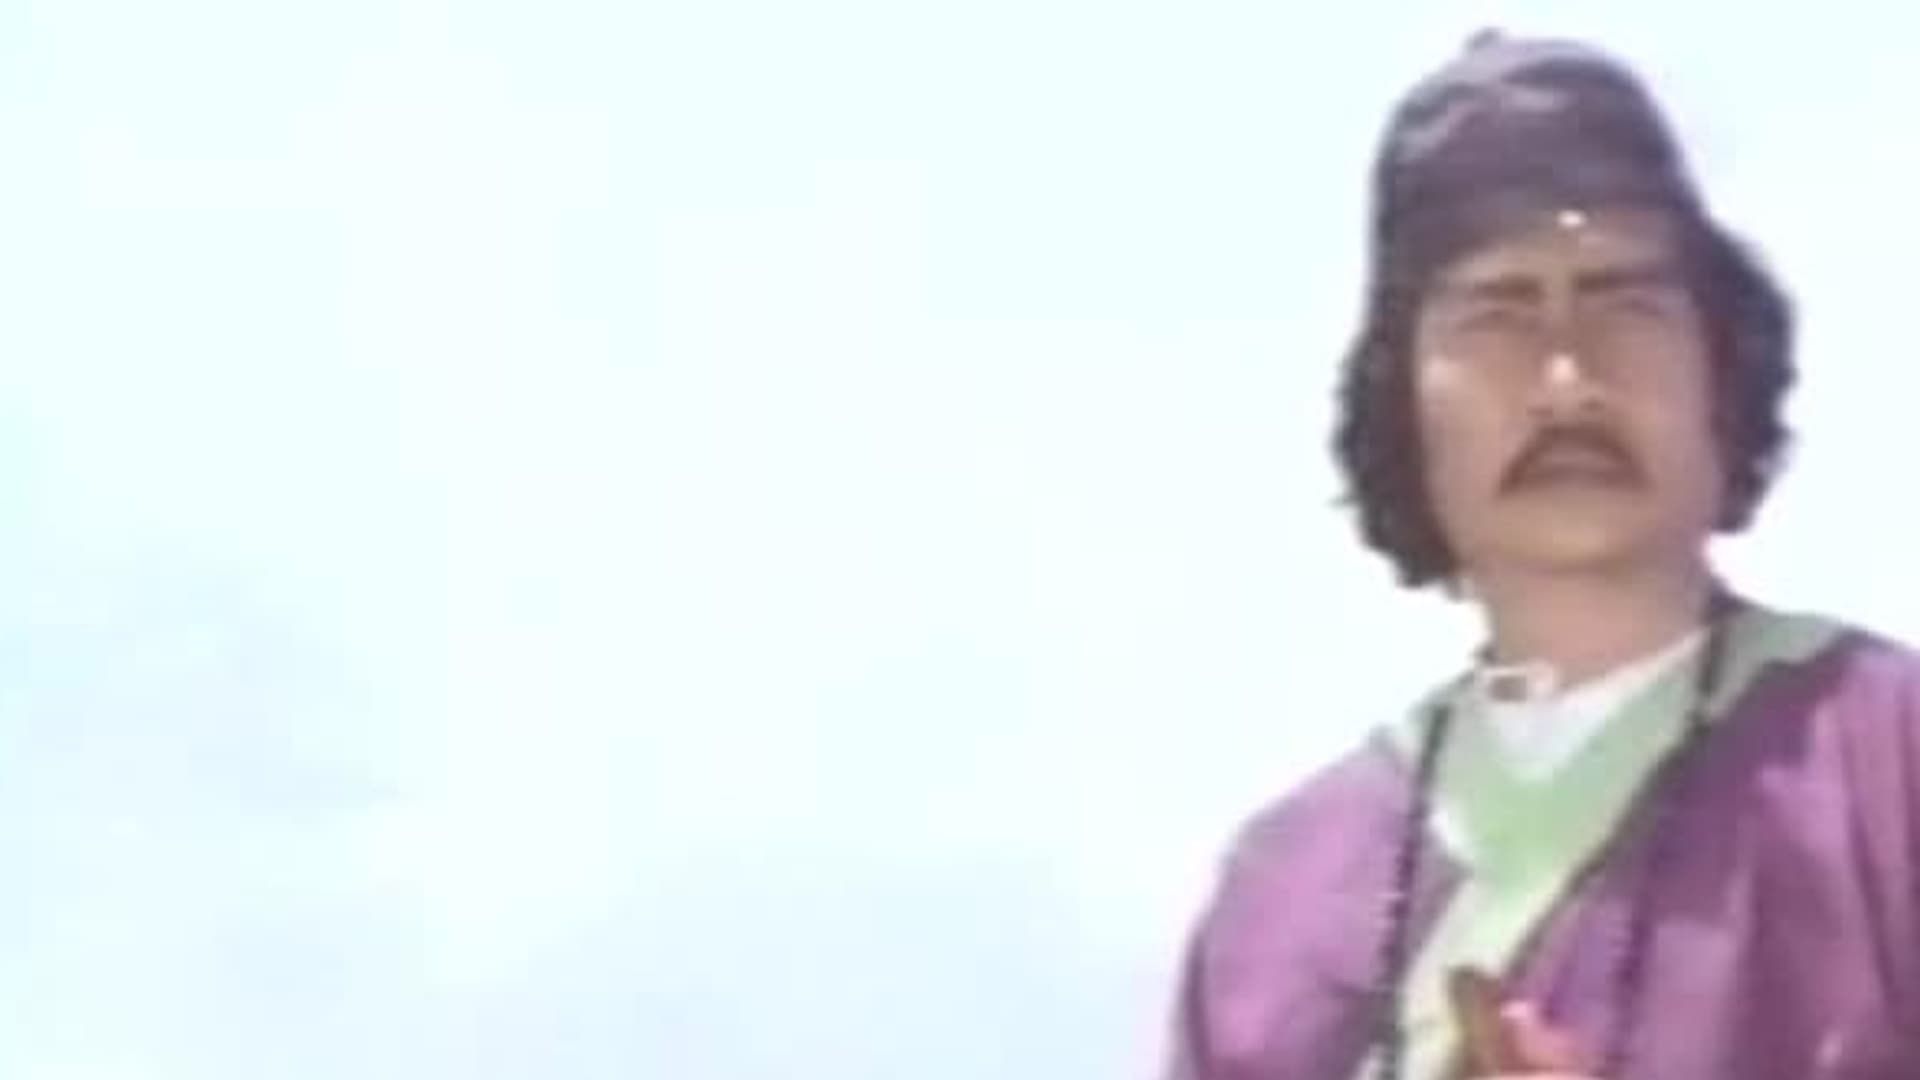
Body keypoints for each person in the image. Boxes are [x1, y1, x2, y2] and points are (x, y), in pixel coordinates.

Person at [1160, 32, 1919, 1080]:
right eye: (1498, 314)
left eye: (1626, 305)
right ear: (1403, 399)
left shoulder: (1886, 764)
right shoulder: (1281, 901)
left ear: (1722, 364)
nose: (1568, 381)